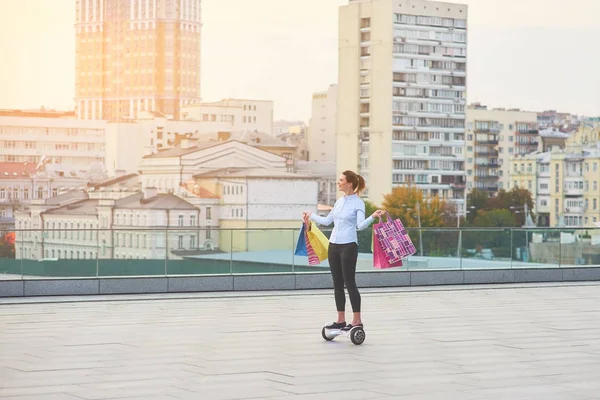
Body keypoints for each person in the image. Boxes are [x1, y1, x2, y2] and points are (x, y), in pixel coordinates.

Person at [303, 170, 385, 331]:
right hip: (333, 245)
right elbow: (327, 221)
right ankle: (340, 320)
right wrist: (310, 215)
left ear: (349, 183)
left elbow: (359, 226)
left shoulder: (358, 203)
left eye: (341, 180)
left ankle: (357, 321)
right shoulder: (339, 202)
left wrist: (373, 216)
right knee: (337, 284)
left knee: (349, 282)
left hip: (349, 245)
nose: (338, 182)